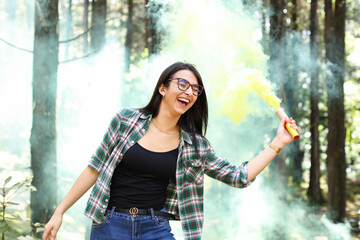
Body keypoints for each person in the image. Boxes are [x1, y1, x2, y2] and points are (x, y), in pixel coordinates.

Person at [42, 62, 298, 240]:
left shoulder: (194, 145)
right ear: (163, 88)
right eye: (183, 84)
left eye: (195, 89)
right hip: (110, 226)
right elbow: (94, 168)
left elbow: (238, 176)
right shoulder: (125, 120)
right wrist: (59, 211)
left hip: (155, 228)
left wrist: (277, 143)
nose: (189, 92)